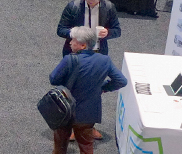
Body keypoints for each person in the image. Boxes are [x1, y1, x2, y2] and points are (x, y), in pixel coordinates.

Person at [49, 26, 127, 154]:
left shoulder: (69, 59)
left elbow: (53, 79)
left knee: (60, 147)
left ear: (83, 45)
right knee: (86, 148)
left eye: (73, 40)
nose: (70, 42)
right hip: (88, 113)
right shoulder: (104, 60)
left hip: (64, 110)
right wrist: (103, 88)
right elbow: (121, 81)